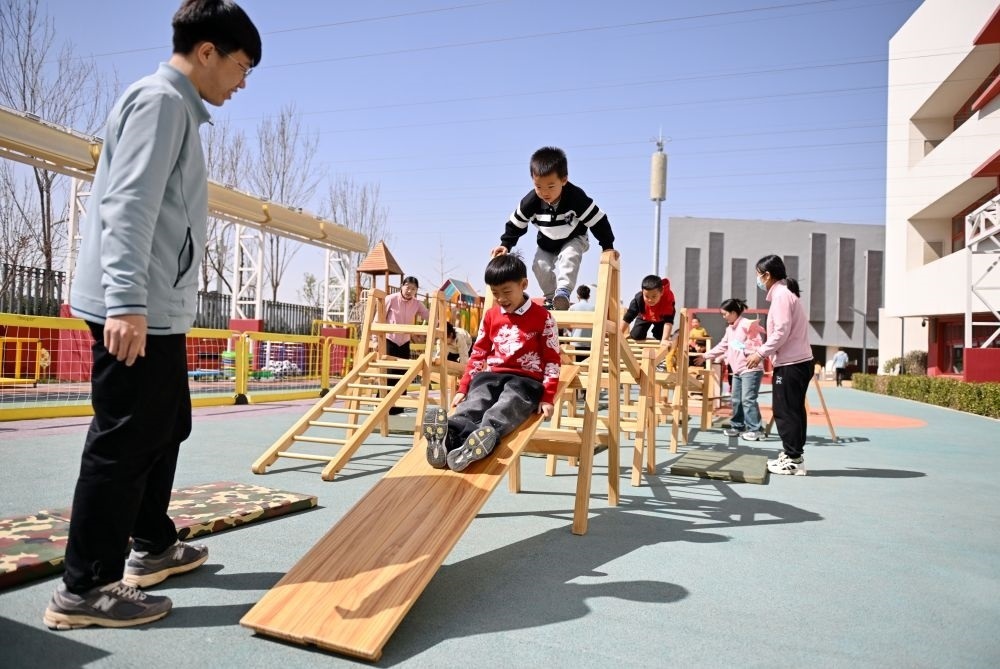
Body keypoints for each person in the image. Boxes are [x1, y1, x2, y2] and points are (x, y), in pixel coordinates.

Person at [44, 0, 261, 631]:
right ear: (207, 52)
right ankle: (85, 588)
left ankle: (153, 544)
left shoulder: (178, 109)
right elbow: (128, 205)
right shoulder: (161, 102)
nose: (242, 82)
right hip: (135, 306)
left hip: (157, 308)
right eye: (242, 67)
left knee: (166, 426)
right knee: (124, 440)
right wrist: (126, 303)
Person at [420, 253, 561, 472]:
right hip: (492, 375)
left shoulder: (543, 318)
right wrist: (464, 387)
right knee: (475, 402)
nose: (501, 298)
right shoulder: (491, 316)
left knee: (506, 406)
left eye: (507, 291)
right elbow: (478, 353)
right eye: (495, 293)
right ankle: (450, 437)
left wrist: (547, 397)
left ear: (523, 285)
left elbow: (552, 360)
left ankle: (481, 439)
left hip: (525, 381)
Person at [490, 147, 617, 310]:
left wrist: (607, 246)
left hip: (574, 237)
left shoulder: (576, 198)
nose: (544, 193)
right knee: (539, 265)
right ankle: (552, 298)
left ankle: (563, 291)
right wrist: (505, 244)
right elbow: (516, 224)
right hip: (547, 241)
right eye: (538, 187)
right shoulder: (531, 202)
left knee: (569, 256)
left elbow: (598, 221)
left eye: (550, 186)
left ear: (564, 180)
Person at [745, 255, 813, 476]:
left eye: (758, 274)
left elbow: (781, 332)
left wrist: (760, 353)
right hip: (796, 362)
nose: (757, 279)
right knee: (793, 410)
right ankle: (793, 454)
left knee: (786, 411)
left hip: (792, 363)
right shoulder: (784, 295)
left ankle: (793, 460)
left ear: (767, 275)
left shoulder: (782, 296)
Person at [695, 299, 766, 441]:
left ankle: (756, 430)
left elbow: (758, 344)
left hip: (751, 368)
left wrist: (745, 350)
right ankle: (738, 426)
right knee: (736, 399)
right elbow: (723, 346)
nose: (724, 317)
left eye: (725, 314)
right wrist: (705, 356)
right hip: (737, 370)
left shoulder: (747, 324)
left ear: (733, 313)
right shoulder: (729, 329)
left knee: (748, 399)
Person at [384, 275, 429, 414]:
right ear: (402, 286)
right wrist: (374, 339)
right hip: (390, 339)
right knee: (390, 372)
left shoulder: (417, 304)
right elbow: (378, 318)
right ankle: (384, 404)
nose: (409, 291)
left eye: (413, 289)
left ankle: (399, 406)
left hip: (404, 341)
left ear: (416, 291)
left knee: (403, 373)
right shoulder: (390, 299)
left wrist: (442, 324)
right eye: (407, 287)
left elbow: (429, 316)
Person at [620, 274, 677, 350]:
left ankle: (657, 332)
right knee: (636, 335)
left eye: (654, 296)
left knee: (660, 336)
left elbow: (668, 322)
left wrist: (665, 339)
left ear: (661, 292)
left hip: (661, 319)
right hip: (644, 316)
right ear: (642, 292)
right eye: (646, 296)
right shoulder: (639, 298)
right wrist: (619, 334)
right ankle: (639, 334)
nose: (650, 300)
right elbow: (628, 318)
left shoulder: (667, 299)